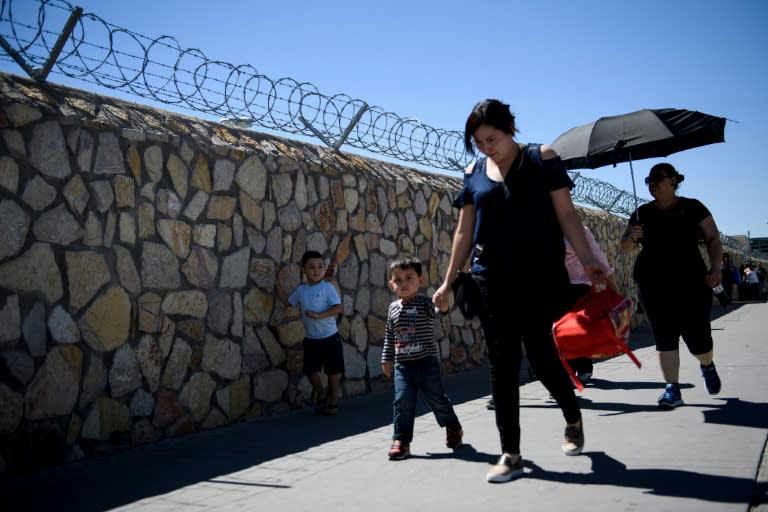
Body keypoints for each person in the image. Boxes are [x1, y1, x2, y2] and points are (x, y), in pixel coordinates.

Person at [432, 99, 607, 483]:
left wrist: (586, 257)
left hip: (541, 277)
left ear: (511, 128)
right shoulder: (474, 171)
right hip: (490, 278)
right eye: (478, 142)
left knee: (543, 359)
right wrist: (448, 280)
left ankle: (572, 415)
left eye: (491, 138)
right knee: (502, 363)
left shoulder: (542, 158)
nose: (486, 148)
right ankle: (510, 452)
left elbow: (566, 214)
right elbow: (464, 231)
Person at [620, 162, 723, 409]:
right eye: (649, 179)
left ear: (674, 181)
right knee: (664, 336)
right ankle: (672, 389)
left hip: (691, 283)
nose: (652, 183)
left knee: (698, 340)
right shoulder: (641, 214)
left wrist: (716, 269)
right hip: (652, 283)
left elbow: (713, 238)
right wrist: (632, 237)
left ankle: (707, 364)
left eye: (658, 178)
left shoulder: (692, 207)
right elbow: (626, 246)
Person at [382, 256, 463, 460]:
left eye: (409, 278)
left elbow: (438, 312)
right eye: (398, 280)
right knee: (402, 402)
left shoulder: (425, 303)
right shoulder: (392, 308)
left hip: (426, 364)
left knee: (437, 400)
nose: (403, 283)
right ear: (391, 284)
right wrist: (387, 359)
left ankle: (453, 427)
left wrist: (443, 306)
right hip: (403, 367)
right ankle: (401, 441)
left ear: (421, 280)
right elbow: (389, 335)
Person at [276, 250, 344, 415]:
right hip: (311, 339)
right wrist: (277, 286)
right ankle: (320, 391)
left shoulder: (327, 287)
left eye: (320, 266)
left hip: (330, 338)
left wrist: (319, 315)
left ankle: (333, 400)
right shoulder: (301, 290)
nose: (316, 270)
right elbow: (288, 302)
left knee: (332, 371)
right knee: (310, 370)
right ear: (303, 270)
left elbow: (338, 308)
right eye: (311, 267)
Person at [564, 227, 620, 384]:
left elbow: (598, 256)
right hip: (557, 287)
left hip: (580, 286)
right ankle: (574, 369)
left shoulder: (580, 231)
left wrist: (613, 288)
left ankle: (581, 369)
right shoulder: (544, 230)